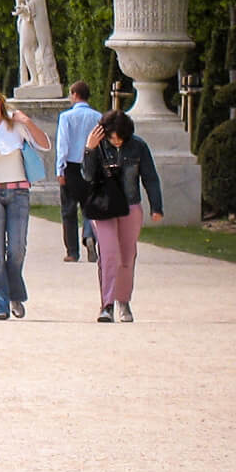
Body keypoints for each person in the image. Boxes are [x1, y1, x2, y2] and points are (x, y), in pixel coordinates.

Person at [0, 80, 51, 319]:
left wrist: (26, 121)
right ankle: (1, 304)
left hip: (18, 192)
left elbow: (45, 144)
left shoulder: (14, 125)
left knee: (16, 249)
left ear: (0, 100)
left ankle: (14, 293)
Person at [80, 110, 163, 322]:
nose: (115, 141)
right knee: (109, 254)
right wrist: (89, 149)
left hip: (130, 206)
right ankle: (106, 304)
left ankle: (123, 301)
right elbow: (87, 176)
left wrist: (156, 207)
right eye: (111, 136)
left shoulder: (138, 146)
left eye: (120, 137)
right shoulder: (97, 145)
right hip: (104, 207)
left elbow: (150, 178)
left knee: (127, 256)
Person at [53, 80, 101, 262]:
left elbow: (62, 144)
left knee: (69, 210)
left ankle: (72, 251)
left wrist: (60, 168)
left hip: (71, 166)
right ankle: (89, 235)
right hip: (91, 164)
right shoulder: (98, 117)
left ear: (74, 94)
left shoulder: (66, 117)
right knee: (91, 207)